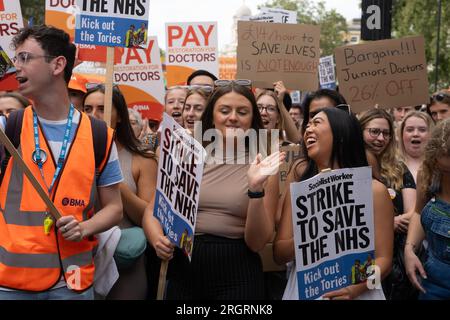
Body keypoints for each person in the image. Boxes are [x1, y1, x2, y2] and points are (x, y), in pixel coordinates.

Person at [0, 25, 123, 300]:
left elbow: (114, 208)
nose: (16, 67)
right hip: (11, 284)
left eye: (25, 58)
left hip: (74, 283)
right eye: (15, 58)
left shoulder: (99, 134)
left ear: (57, 65)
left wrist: (85, 228)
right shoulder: (9, 127)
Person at [143, 82, 285, 299]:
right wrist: (157, 239)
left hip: (238, 274)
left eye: (242, 112)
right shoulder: (187, 154)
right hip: (184, 270)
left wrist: (255, 190)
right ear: (211, 116)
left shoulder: (264, 164)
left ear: (252, 119)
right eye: (225, 110)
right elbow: (153, 210)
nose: (233, 117)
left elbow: (257, 242)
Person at [274, 107, 394, 300]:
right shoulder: (299, 192)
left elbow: (385, 261)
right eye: (308, 124)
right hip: (307, 289)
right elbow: (279, 255)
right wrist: (313, 233)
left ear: (341, 134)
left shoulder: (374, 191)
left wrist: (355, 289)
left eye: (317, 122)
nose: (308, 129)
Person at [83, 84, 157, 300]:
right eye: (87, 109)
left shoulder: (142, 159)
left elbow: (149, 215)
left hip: (126, 258)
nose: (93, 115)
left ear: (120, 116)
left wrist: (114, 181)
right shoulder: (71, 154)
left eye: (102, 108)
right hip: (82, 257)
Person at [359, 108, 418, 300]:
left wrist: (398, 220)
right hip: (362, 257)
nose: (380, 138)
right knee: (365, 291)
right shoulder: (347, 167)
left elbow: (414, 212)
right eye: (374, 132)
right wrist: (386, 225)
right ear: (359, 131)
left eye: (386, 133)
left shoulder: (399, 168)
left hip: (396, 261)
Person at [404, 118, 450, 300]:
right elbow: (417, 212)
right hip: (432, 284)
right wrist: (409, 249)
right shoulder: (428, 173)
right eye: (444, 170)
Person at [399, 111, 434, 182]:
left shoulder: (441, 167)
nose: (415, 134)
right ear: (401, 134)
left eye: (422, 130)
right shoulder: (389, 165)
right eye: (410, 130)